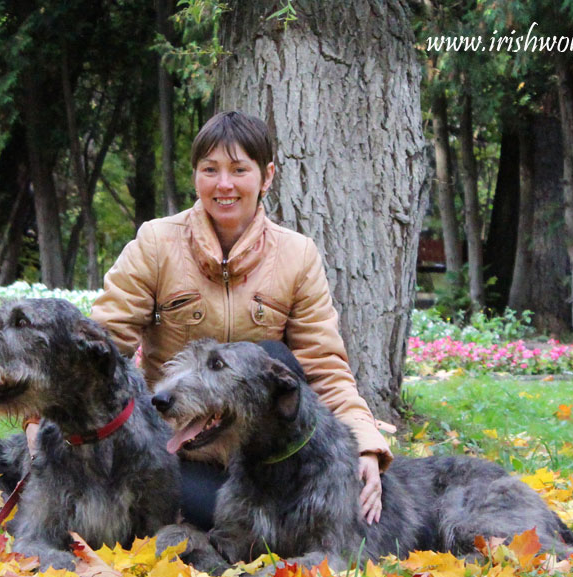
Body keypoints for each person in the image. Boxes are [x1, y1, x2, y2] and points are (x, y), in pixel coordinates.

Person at [28, 111, 392, 527]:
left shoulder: (297, 255)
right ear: (195, 175)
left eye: (239, 170)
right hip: (177, 440)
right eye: (210, 170)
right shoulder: (157, 242)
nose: (224, 185)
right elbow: (100, 346)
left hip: (260, 453)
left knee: (274, 357)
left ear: (266, 175)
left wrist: (365, 445)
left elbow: (324, 368)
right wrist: (40, 418)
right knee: (211, 517)